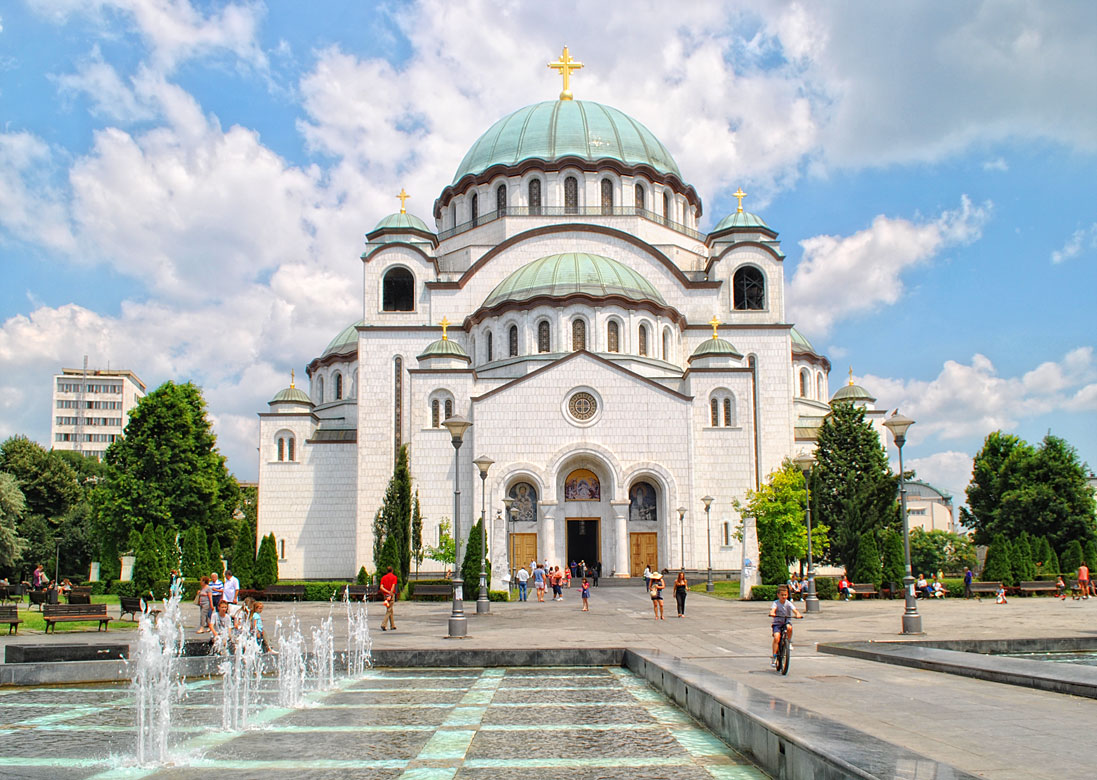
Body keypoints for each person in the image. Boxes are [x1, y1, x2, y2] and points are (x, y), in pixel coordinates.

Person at [769, 585, 803, 665]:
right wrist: (772, 613)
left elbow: (795, 610)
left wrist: (798, 614)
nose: (784, 597)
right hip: (777, 623)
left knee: (789, 627)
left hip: (786, 621)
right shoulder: (776, 603)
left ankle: (789, 641)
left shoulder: (788, 603)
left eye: (785, 595)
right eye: (782, 595)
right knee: (777, 637)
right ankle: (774, 656)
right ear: (778, 595)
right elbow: (773, 610)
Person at [379, 565, 398, 631]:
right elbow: (393, 586)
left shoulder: (383, 577)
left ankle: (392, 625)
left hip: (385, 595)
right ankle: (383, 624)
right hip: (391, 595)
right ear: (392, 570)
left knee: (390, 609)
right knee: (389, 610)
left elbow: (381, 587)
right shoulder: (394, 577)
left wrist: (386, 592)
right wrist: (390, 593)